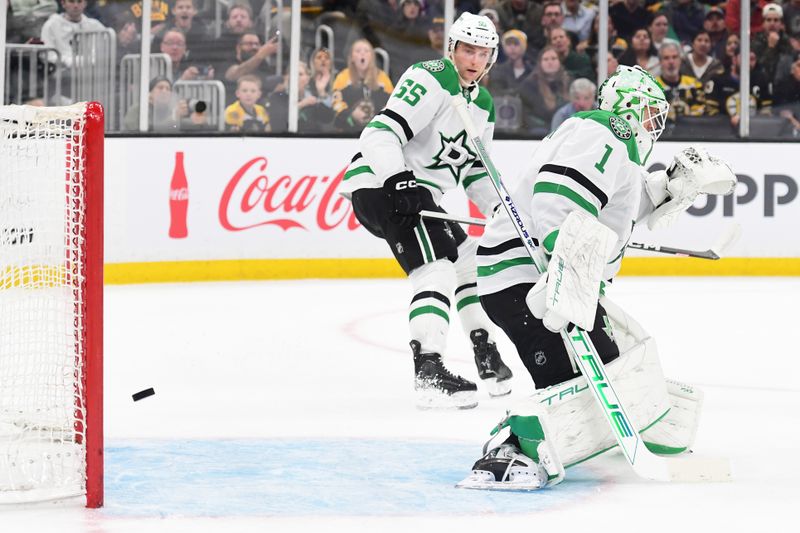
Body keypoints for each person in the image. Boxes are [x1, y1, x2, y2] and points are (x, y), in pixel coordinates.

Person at [456, 65, 736, 489]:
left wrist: (674, 182)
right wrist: (565, 268)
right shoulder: (605, 130)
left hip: (547, 277)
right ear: (627, 107)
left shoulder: (613, 149)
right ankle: (508, 449)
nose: (653, 127)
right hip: (524, 277)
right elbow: (558, 194)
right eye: (649, 114)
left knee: (610, 368)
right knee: (571, 382)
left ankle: (630, 428)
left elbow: (629, 199)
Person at [339, 13, 514, 409]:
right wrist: (398, 180)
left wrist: (505, 211)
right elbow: (379, 132)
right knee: (436, 268)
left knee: (469, 262)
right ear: (451, 49)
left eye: (482, 52)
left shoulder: (481, 103)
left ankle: (485, 352)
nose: (473, 58)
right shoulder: (432, 75)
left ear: (491, 58)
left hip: (420, 197)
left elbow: (474, 169)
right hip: (382, 184)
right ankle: (429, 371)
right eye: (467, 49)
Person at [331, 39, 393, 133]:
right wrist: (351, 114)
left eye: (366, 51)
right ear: (352, 57)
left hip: (375, 131)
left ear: (372, 57)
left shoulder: (382, 77)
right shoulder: (343, 77)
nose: (362, 54)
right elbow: (336, 104)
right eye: (358, 51)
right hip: (348, 131)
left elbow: (392, 103)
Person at [266, 62, 335, 133]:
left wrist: (321, 91)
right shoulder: (278, 96)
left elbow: (328, 119)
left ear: (307, 79)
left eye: (300, 74)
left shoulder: (312, 97)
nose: (296, 78)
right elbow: (277, 124)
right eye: (293, 74)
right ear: (287, 77)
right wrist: (302, 104)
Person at [40, 0, 106, 69]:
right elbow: (48, 55)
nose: (76, 6)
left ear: (85, 4)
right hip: (59, 75)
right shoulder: (51, 25)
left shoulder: (96, 26)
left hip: (89, 75)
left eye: (79, 1)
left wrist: (80, 62)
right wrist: (67, 62)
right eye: (71, 1)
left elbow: (100, 55)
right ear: (63, 3)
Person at [520, 46, 571, 133]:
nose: (550, 62)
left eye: (553, 58)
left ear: (559, 62)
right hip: (539, 130)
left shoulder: (569, 81)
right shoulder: (529, 85)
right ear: (540, 63)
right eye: (546, 59)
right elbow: (537, 113)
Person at [656, 42, 706, 122]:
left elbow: (701, 111)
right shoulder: (652, 88)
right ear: (660, 62)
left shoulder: (695, 84)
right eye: (666, 58)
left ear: (680, 60)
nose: (671, 62)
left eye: (675, 57)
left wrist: (686, 113)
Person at [123, 76, 189, 132]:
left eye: (168, 89)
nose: (164, 91)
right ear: (150, 93)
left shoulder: (172, 110)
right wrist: (175, 117)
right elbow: (149, 132)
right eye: (160, 88)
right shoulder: (138, 109)